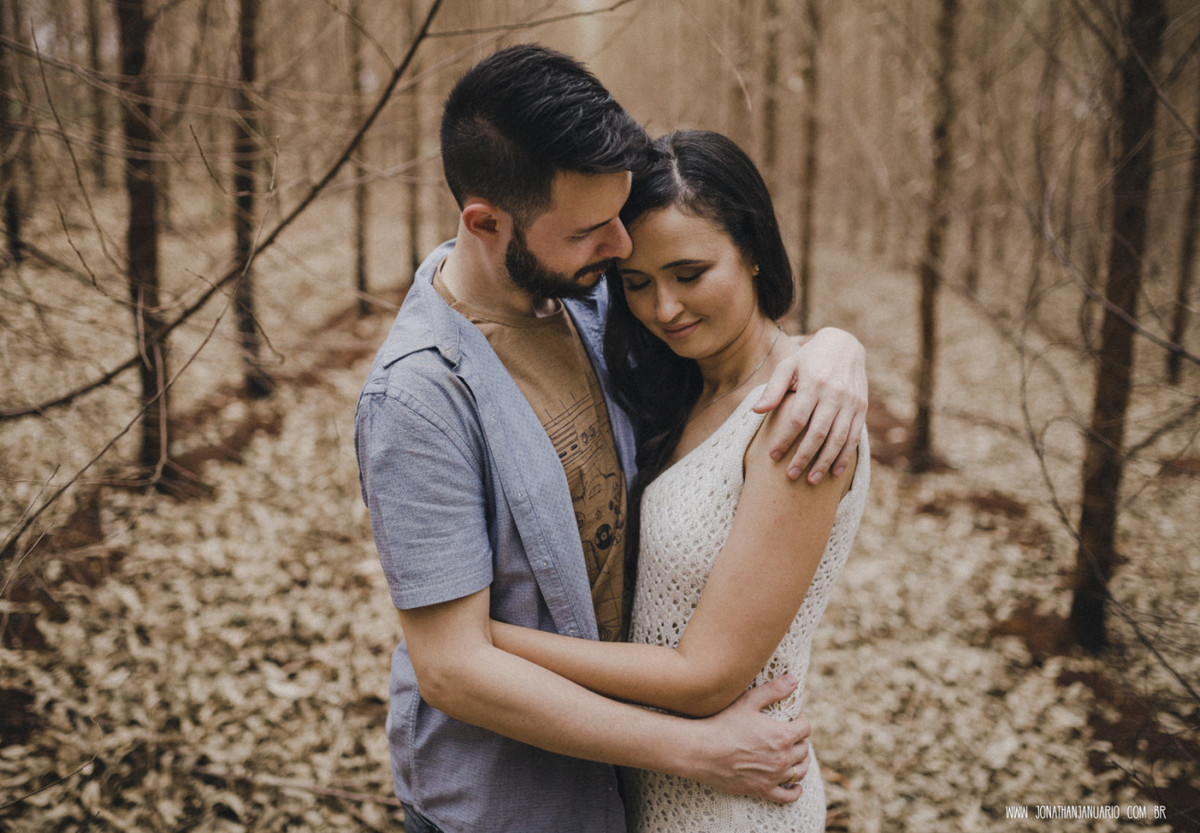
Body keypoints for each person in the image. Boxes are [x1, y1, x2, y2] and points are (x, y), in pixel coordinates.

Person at [354, 45, 867, 833]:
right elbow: (454, 672)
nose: (625, 254)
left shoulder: (592, 305)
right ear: (487, 223)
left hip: (635, 790)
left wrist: (837, 348)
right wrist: (693, 751)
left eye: (620, 225)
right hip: (507, 805)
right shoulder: (420, 397)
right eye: (595, 231)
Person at [490, 129, 869, 832]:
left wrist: (485, 642)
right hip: (657, 785)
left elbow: (704, 677)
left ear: (752, 251)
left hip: (733, 800)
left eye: (690, 273)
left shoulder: (799, 417)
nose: (664, 308)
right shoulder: (678, 388)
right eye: (638, 283)